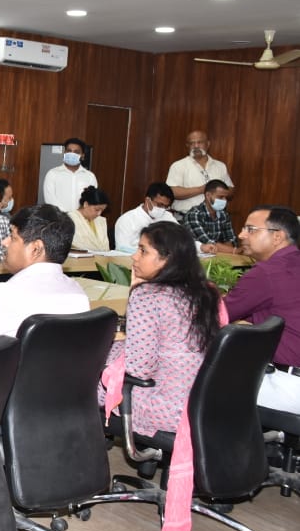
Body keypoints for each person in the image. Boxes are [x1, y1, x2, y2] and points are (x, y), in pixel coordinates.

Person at [98, 222, 220, 437]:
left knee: (80, 383)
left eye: (143, 251)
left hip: (164, 405)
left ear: (167, 258)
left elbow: (139, 369)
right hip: (205, 401)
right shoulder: (203, 293)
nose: (134, 257)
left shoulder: (149, 296)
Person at [0, 205, 89, 346]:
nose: (4, 242)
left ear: (35, 249)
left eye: (12, 237)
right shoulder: (79, 295)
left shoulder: (4, 295)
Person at [223, 206, 300, 413]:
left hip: (287, 386)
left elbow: (217, 314)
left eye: (250, 229)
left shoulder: (267, 272)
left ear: (277, 237)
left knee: (194, 376)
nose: (241, 235)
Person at [166, 130, 233, 217]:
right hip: (186, 217)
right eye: (192, 143)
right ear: (187, 146)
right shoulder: (178, 166)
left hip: (216, 218)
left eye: (200, 142)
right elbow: (172, 192)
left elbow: (230, 190)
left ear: (208, 144)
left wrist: (217, 193)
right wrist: (203, 189)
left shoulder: (220, 166)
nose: (196, 146)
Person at [114, 182, 177, 252]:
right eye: (159, 205)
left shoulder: (168, 217)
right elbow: (122, 250)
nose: (162, 209)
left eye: (166, 206)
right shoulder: (127, 220)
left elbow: (180, 239)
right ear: (147, 200)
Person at [43, 137, 99, 212]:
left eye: (76, 152)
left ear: (82, 155)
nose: (72, 154)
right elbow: (50, 200)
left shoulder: (90, 176)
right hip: (59, 217)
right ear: (64, 153)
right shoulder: (52, 174)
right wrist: (66, 215)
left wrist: (78, 215)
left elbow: (92, 200)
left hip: (82, 217)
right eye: (69, 151)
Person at [183, 179, 237, 253]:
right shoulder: (194, 214)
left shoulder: (224, 215)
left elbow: (230, 240)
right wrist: (235, 251)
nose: (224, 200)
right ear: (208, 195)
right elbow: (208, 244)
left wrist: (232, 251)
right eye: (220, 197)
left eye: (226, 198)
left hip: (219, 255)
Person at [68, 186, 111, 252]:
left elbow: (105, 248)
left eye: (102, 210)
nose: (99, 213)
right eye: (97, 210)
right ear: (86, 204)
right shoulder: (70, 219)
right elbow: (79, 246)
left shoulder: (100, 221)